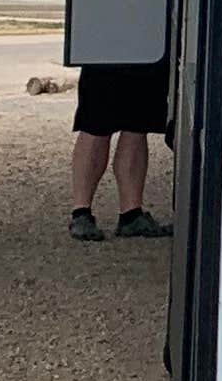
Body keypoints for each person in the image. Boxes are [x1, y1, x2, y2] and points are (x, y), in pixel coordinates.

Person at [67, 35, 174, 242]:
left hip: (149, 45)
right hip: (105, 46)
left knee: (137, 126)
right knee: (95, 126)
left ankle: (131, 213)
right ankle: (81, 212)